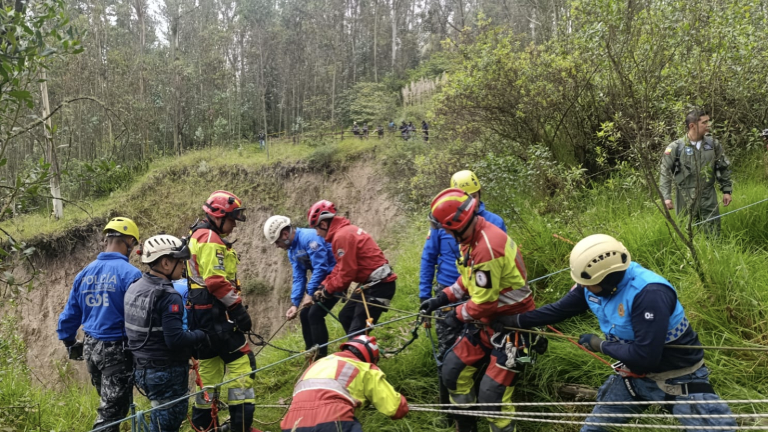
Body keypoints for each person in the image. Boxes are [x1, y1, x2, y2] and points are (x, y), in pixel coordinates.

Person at [497, 234, 736, 432]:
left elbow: (645, 355)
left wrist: (599, 345)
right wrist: (513, 321)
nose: (582, 287)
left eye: (586, 282)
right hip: (634, 377)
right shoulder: (591, 286)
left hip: (679, 378)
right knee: (593, 429)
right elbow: (559, 310)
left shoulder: (649, 294)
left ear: (607, 278)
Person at [420, 188, 534, 432]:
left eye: (446, 228)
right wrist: (442, 298)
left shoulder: (486, 247)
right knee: (452, 371)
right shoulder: (470, 239)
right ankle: (467, 426)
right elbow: (467, 280)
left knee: (492, 396)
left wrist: (455, 315)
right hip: (486, 322)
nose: (445, 233)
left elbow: (484, 303)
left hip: (512, 324)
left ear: (456, 224)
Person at [57, 217, 142, 432]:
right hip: (117, 349)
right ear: (129, 241)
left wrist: (69, 341)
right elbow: (140, 317)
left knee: (109, 405)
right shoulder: (131, 274)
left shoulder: (85, 273)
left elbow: (70, 315)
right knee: (111, 414)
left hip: (90, 347)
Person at [186, 191, 256, 432]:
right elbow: (215, 281)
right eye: (232, 218)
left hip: (200, 315)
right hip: (216, 314)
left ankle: (205, 426)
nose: (235, 224)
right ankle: (241, 427)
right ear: (218, 216)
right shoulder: (210, 240)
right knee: (242, 364)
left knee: (208, 372)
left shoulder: (198, 235)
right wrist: (237, 310)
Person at [125, 234, 209, 432]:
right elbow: (175, 339)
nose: (183, 266)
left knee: (160, 418)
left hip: (142, 369)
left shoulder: (135, 287)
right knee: (167, 424)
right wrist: (202, 335)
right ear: (165, 263)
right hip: (165, 371)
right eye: (180, 261)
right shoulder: (169, 296)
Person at [280, 335, 409, 432]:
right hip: (332, 420)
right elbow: (396, 408)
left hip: (292, 423)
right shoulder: (364, 367)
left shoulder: (317, 364)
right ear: (370, 358)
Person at [308, 200, 397, 336]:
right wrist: (323, 286)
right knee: (346, 317)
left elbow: (347, 273)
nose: (317, 234)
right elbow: (341, 266)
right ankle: (363, 352)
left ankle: (359, 352)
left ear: (324, 224)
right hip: (371, 283)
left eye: (317, 228)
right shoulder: (345, 231)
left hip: (379, 285)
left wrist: (328, 290)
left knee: (356, 333)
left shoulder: (341, 237)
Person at [263, 215, 337, 358]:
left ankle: (321, 357)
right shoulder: (292, 250)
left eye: (277, 242)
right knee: (304, 314)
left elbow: (321, 267)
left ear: (285, 234)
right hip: (322, 282)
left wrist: (309, 293)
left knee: (315, 314)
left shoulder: (309, 238)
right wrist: (295, 304)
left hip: (335, 277)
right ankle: (311, 352)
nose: (277, 246)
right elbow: (298, 276)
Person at [659, 108, 732, 235]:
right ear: (692, 126)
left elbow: (723, 168)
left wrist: (727, 191)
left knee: (713, 231)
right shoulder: (676, 147)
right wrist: (666, 197)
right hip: (684, 196)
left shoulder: (713, 144)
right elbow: (665, 172)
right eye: (704, 122)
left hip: (709, 195)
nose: (708, 125)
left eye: (708, 121)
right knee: (687, 232)